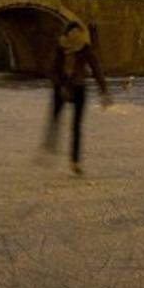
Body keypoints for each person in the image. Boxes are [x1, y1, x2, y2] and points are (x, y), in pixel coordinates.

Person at [45, 21, 111, 175]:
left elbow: (96, 68)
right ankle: (51, 144)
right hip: (62, 87)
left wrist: (104, 90)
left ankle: (74, 160)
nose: (75, 37)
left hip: (78, 88)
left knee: (76, 126)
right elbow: (53, 69)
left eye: (77, 34)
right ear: (67, 34)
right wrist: (59, 86)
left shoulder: (84, 49)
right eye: (72, 34)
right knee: (56, 119)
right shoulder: (61, 48)